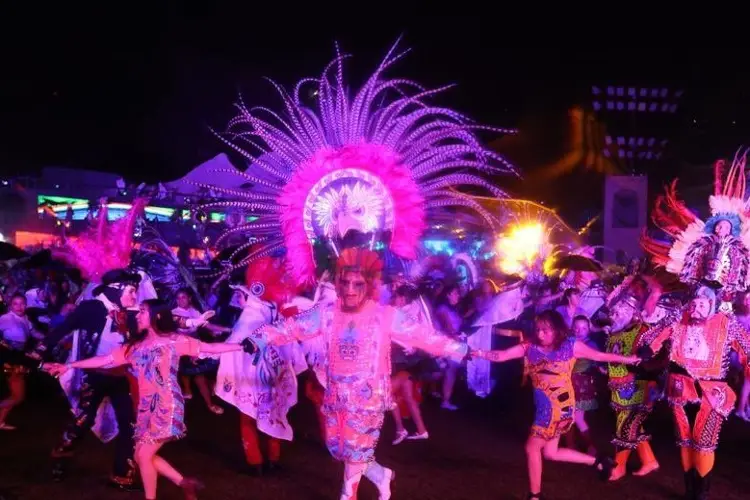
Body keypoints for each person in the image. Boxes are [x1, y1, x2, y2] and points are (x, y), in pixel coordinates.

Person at [252, 248, 468, 500]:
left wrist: (461, 349)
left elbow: (424, 336)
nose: (351, 289)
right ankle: (380, 475)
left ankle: (347, 495)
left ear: (370, 286)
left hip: (368, 399)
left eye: (358, 284)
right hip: (336, 396)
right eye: (345, 283)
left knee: (355, 452)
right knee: (345, 450)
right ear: (338, 284)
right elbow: (292, 327)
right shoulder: (327, 313)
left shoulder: (385, 316)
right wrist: (258, 338)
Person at [44, 299, 257, 500]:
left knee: (144, 455)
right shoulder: (134, 347)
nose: (138, 315)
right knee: (139, 455)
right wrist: (69, 366)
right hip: (146, 406)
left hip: (166, 404)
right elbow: (104, 360)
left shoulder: (175, 341)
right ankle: (183, 482)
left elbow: (209, 348)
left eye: (143, 311)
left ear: (155, 316)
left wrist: (242, 346)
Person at [473, 309, 641, 500]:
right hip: (546, 406)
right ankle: (600, 461)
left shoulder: (571, 346)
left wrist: (629, 359)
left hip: (556, 408)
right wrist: (477, 352)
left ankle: (535, 496)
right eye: (538, 329)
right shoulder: (529, 347)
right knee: (551, 453)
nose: (540, 334)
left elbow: (601, 357)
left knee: (532, 448)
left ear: (557, 329)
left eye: (545, 330)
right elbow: (502, 355)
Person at [642, 286, 750, 499]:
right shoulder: (678, 318)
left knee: (704, 442)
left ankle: (702, 493)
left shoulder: (725, 322)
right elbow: (655, 334)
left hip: (711, 393)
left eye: (702, 304)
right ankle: (690, 490)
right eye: (693, 304)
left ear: (711, 305)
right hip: (679, 389)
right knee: (684, 440)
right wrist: (647, 348)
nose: (696, 308)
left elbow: (747, 348)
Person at [0, 294, 44, 429]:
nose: (19, 307)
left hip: (18, 358)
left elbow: (34, 332)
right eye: (15, 304)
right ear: (10, 305)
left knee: (16, 395)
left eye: (22, 303)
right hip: (7, 360)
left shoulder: (25, 318)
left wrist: (51, 338)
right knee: (17, 396)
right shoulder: (5, 319)